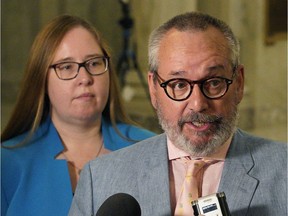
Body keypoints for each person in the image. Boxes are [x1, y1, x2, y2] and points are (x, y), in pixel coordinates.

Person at [69, 12, 287, 216]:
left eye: (213, 83)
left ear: (238, 83)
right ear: (153, 89)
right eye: (179, 84)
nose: (197, 104)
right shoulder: (99, 180)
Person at [1, 15, 156, 216]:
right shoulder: (6, 163)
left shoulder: (151, 151)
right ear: (42, 80)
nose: (85, 78)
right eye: (66, 67)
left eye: (94, 63)